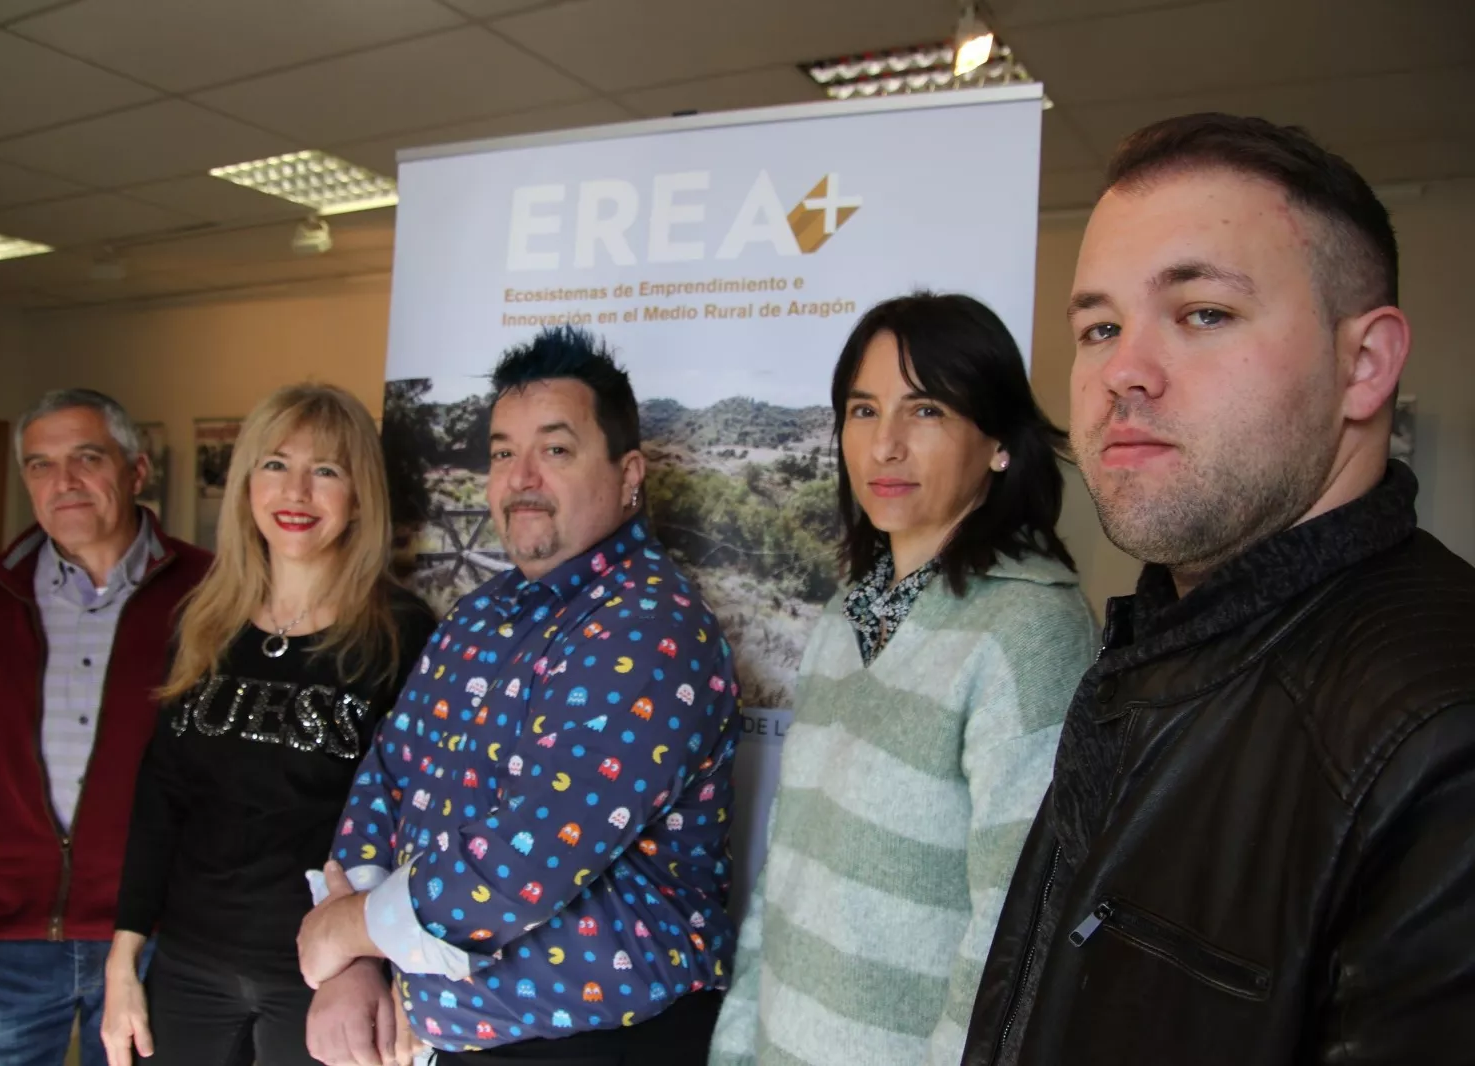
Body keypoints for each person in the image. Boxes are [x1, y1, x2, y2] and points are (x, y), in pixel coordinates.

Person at [961, 114, 1475, 1065]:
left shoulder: (1439, 736)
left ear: (1364, 365)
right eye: (1100, 327)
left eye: (1203, 314)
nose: (1122, 373)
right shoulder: (1166, 641)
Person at [296, 327, 743, 1064]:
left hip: (605, 1045)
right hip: (456, 1040)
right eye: (504, 452)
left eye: (556, 450)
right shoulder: (481, 614)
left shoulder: (650, 629)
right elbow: (388, 775)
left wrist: (345, 931)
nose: (520, 477)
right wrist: (360, 967)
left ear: (629, 474)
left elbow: (521, 862)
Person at [708, 294, 1097, 1066]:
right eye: (862, 410)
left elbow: (1014, 943)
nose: (884, 445)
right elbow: (786, 881)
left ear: (996, 443)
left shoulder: (1031, 633)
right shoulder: (838, 620)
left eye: (924, 411)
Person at [99, 384, 436, 1066]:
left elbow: (420, 820)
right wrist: (122, 961)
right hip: (188, 965)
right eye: (275, 464)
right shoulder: (203, 623)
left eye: (327, 471)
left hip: (322, 978)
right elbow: (161, 797)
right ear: (248, 481)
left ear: (361, 495)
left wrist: (393, 973)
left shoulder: (403, 633)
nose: (297, 492)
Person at [0, 389, 211, 1065]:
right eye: (39, 465)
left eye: (85, 457)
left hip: (153, 937)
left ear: (135, 470)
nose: (62, 481)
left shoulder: (209, 594)